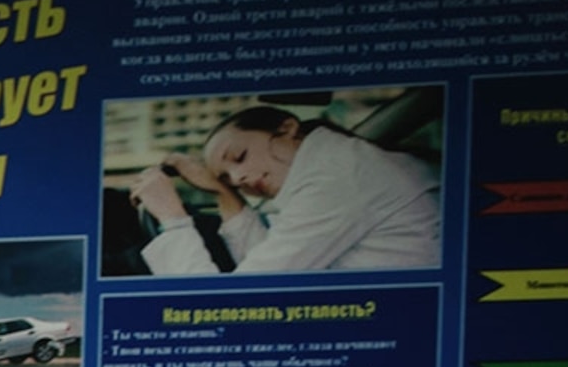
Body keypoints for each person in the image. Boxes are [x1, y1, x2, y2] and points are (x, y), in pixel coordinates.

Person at [130, 103, 439, 277]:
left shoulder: (334, 180)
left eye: (239, 156)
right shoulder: (337, 163)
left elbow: (228, 304)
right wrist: (223, 193)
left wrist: (173, 220)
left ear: (288, 128)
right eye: (227, 177)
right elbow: (269, 264)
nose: (238, 177)